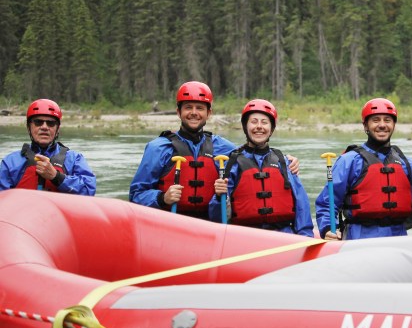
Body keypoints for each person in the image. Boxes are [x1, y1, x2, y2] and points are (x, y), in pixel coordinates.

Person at [129, 81, 237, 219]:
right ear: (178, 112)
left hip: (209, 225)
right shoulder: (159, 148)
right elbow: (136, 195)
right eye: (188, 107)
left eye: (199, 108)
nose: (193, 113)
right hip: (171, 224)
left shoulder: (225, 148)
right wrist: (162, 198)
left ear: (208, 113)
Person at [315, 97, 412, 240]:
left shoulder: (407, 164)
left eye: (387, 120)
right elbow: (328, 201)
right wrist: (327, 227)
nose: (382, 125)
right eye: (376, 120)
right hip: (359, 237)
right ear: (365, 126)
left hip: (398, 236)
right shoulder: (349, 161)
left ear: (394, 125)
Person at [209, 99, 314, 236]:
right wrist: (218, 197)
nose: (259, 127)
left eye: (264, 122)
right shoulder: (233, 163)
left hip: (283, 236)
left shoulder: (284, 162)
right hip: (245, 237)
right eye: (254, 122)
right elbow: (216, 217)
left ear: (271, 128)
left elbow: (302, 205)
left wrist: (305, 238)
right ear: (245, 126)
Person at [0, 99, 96, 195]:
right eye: (38, 122)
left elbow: (88, 191)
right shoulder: (10, 162)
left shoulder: (75, 159)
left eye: (51, 123)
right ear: (28, 127)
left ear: (57, 129)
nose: (44, 127)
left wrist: (56, 177)